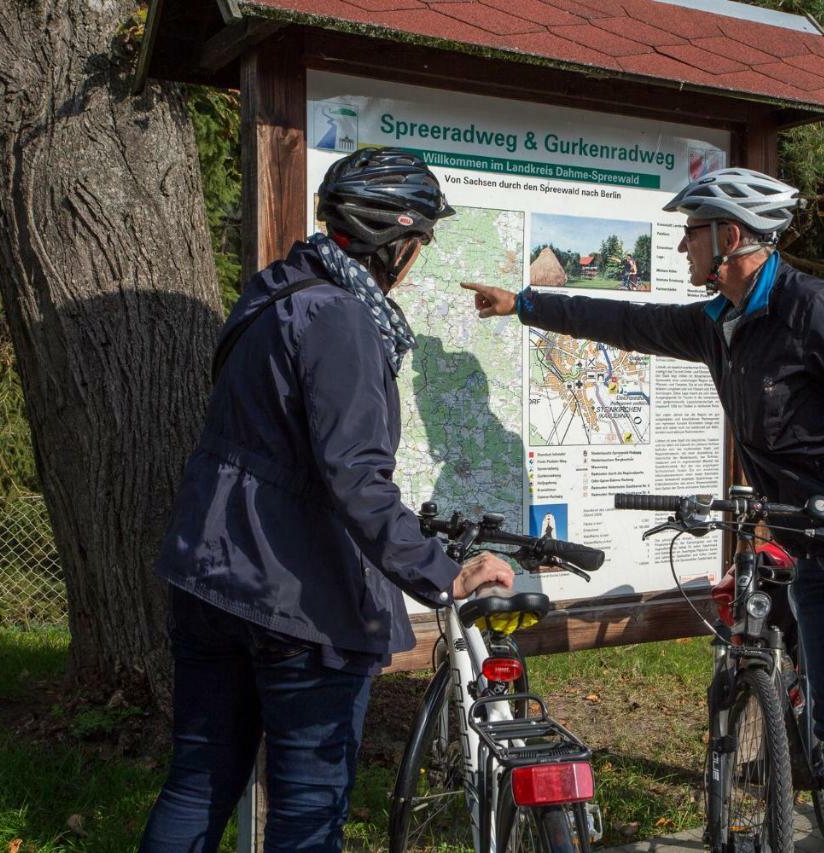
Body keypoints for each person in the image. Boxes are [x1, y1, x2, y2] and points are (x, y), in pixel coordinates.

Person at [463, 168, 824, 853]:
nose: (684, 246)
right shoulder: (723, 322)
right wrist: (524, 304)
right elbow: (631, 322)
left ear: (731, 236)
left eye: (692, 233)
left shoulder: (814, 309)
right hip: (811, 551)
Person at [140, 147, 513, 853]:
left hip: (209, 574)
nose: (419, 258)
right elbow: (354, 476)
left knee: (198, 780)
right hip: (294, 595)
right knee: (307, 811)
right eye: (421, 241)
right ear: (393, 240)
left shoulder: (274, 292)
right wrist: (443, 572)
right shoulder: (341, 318)